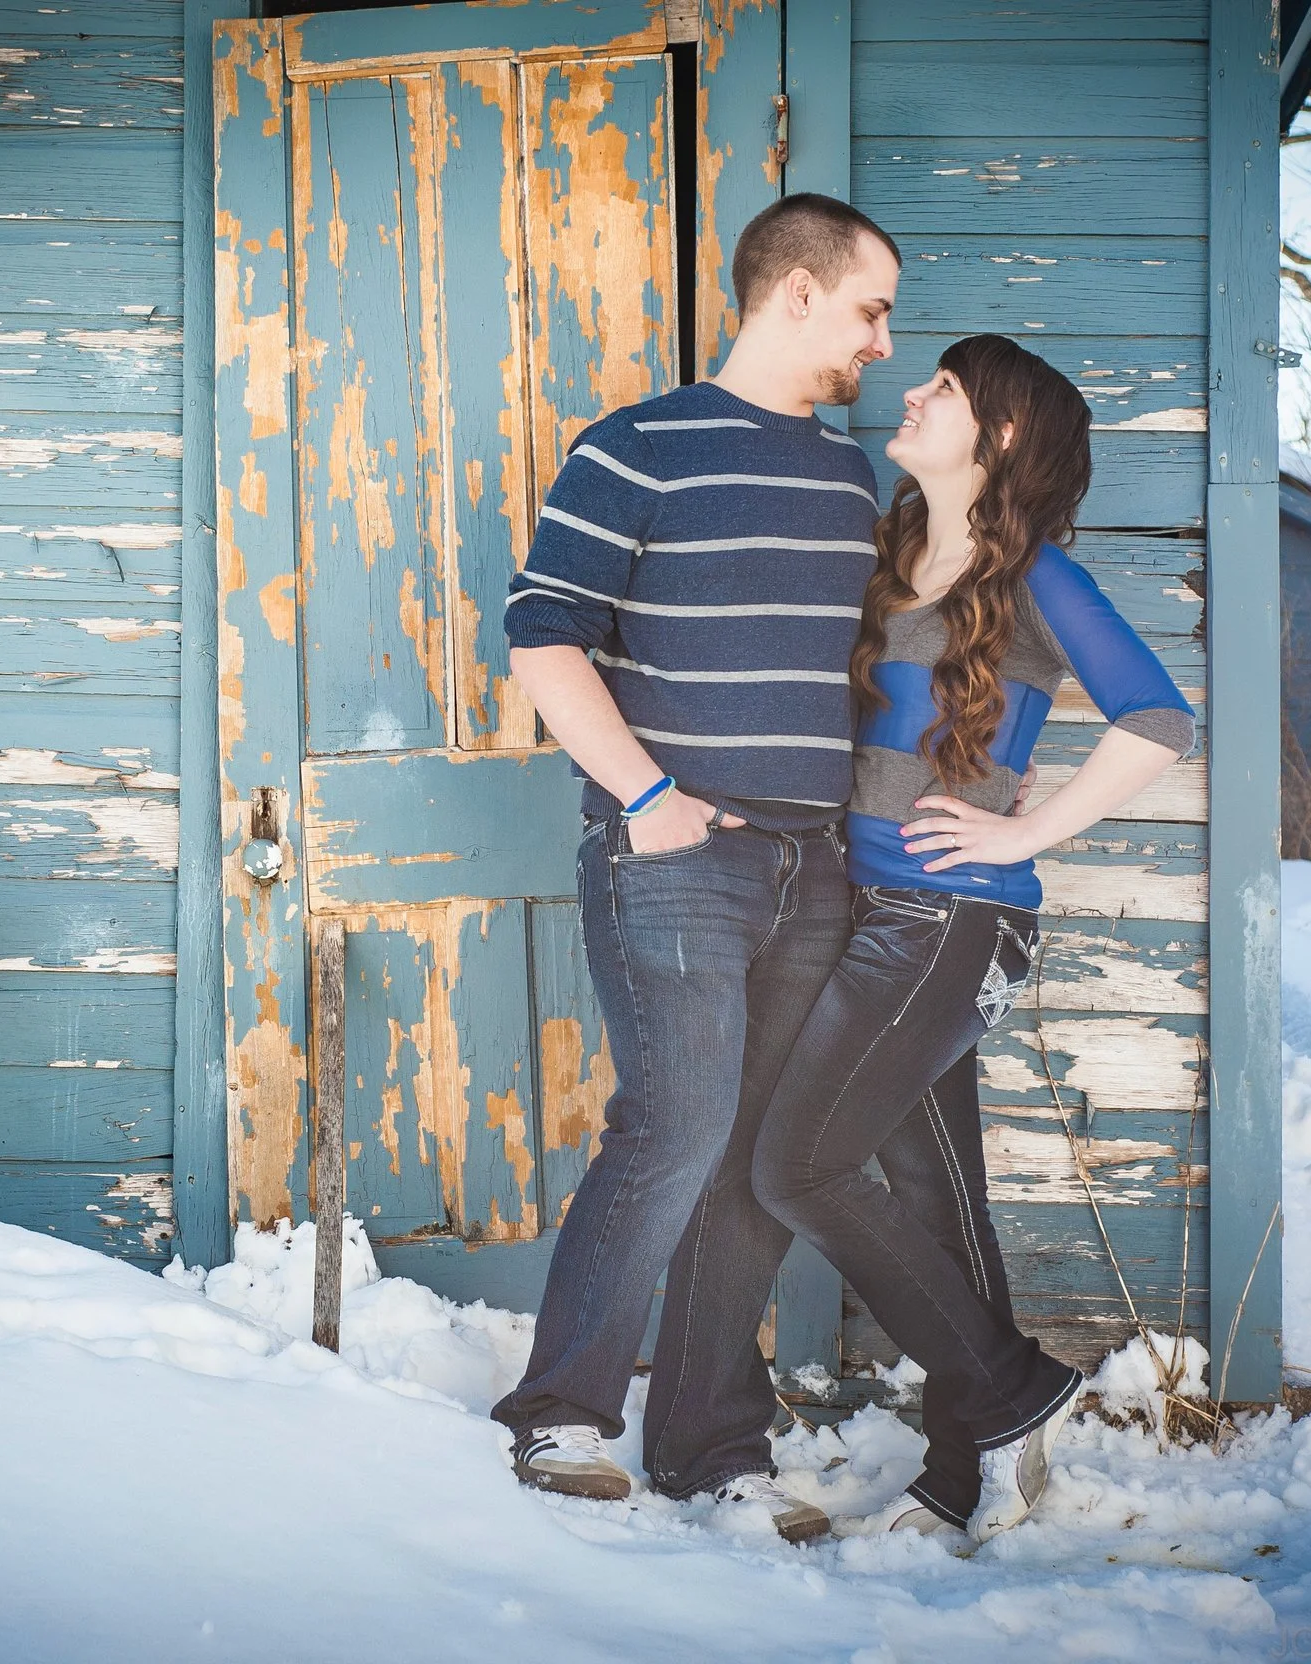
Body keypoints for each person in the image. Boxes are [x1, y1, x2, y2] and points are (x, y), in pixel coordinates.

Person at [490, 194, 901, 1541]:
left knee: (753, 1160)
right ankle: (558, 1412)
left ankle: (712, 1446)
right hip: (678, 859)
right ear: (793, 292)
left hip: (815, 868)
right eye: (869, 309)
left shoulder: (850, 481)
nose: (881, 342)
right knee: (674, 1126)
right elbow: (542, 637)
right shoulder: (636, 450)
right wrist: (648, 795)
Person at [748, 333, 1196, 1547]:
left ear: (996, 434)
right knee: (938, 1197)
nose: (913, 391)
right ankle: (972, 1466)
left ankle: (1006, 1386)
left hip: (950, 920)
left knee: (796, 1168)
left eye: (941, 387)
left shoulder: (1038, 574)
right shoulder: (895, 557)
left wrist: (1025, 828)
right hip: (873, 912)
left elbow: (1157, 715)